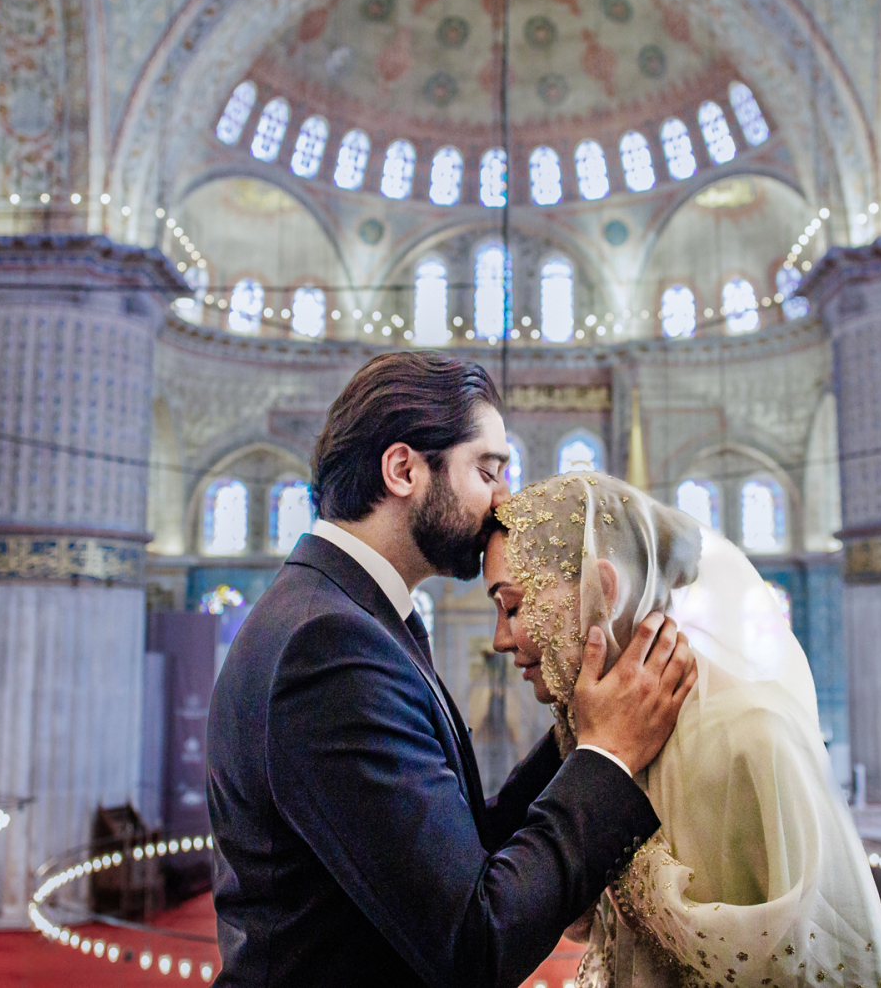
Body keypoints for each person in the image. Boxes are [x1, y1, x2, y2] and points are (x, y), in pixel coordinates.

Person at [207, 352, 698, 988]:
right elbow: (474, 941)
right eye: (488, 470)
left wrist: (584, 723)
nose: (504, 501)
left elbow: (454, 852)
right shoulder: (329, 645)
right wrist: (606, 758)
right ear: (403, 469)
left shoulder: (349, 614)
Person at [487, 472, 881, 987]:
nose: (501, 639)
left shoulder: (752, 734)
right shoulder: (588, 739)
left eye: (514, 606)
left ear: (604, 589)